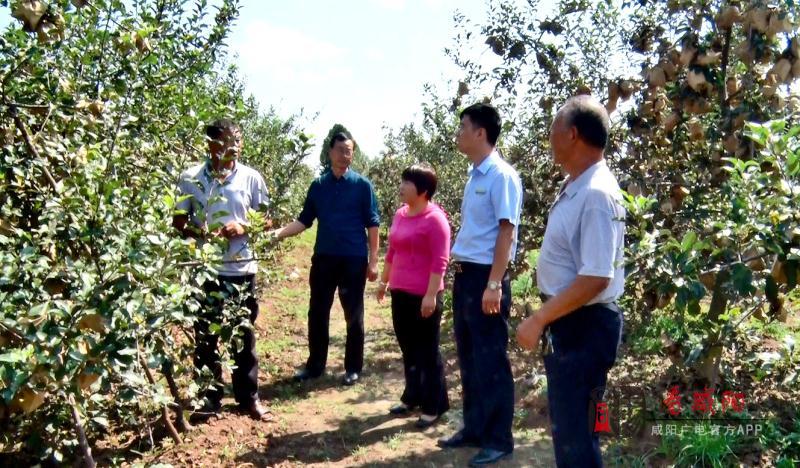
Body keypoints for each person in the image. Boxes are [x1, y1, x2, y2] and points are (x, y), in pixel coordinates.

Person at [516, 95, 625, 467]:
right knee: (573, 431)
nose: (549, 136)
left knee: (578, 436)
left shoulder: (595, 194)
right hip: (576, 325)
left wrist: (538, 318)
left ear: (573, 134)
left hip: (584, 328)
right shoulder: (578, 184)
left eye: (553, 128)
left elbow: (596, 276)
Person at [437, 103, 523, 467]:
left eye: (462, 127)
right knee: (469, 357)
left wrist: (494, 284)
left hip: (487, 276)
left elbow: (507, 230)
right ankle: (474, 428)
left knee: (491, 360)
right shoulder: (476, 175)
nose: (457, 134)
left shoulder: (501, 176)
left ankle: (499, 438)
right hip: (467, 275)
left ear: (480, 133)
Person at [173, 118, 270, 420]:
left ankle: (248, 398)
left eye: (238, 140)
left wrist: (243, 227)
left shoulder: (252, 178)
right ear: (211, 144)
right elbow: (178, 222)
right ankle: (209, 399)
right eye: (229, 141)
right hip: (206, 270)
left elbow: (267, 220)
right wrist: (203, 234)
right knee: (205, 338)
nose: (235, 147)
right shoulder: (191, 178)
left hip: (242, 269)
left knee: (243, 336)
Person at [270, 131, 380, 386]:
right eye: (340, 149)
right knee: (317, 312)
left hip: (353, 259)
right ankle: (315, 365)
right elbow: (304, 221)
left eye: (349, 150)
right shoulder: (319, 186)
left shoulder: (362, 186)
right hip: (324, 259)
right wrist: (277, 234)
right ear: (330, 152)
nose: (345, 155)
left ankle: (353, 367)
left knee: (353, 314)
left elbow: (373, 224)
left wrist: (373, 261)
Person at [376, 164, 450, 429]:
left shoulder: (435, 219)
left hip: (424, 295)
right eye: (403, 181)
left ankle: (435, 404)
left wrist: (431, 295)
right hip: (400, 292)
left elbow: (440, 261)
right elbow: (392, 252)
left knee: (427, 351)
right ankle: (412, 396)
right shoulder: (400, 214)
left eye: (407, 182)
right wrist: (384, 281)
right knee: (408, 348)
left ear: (423, 190)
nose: (402, 186)